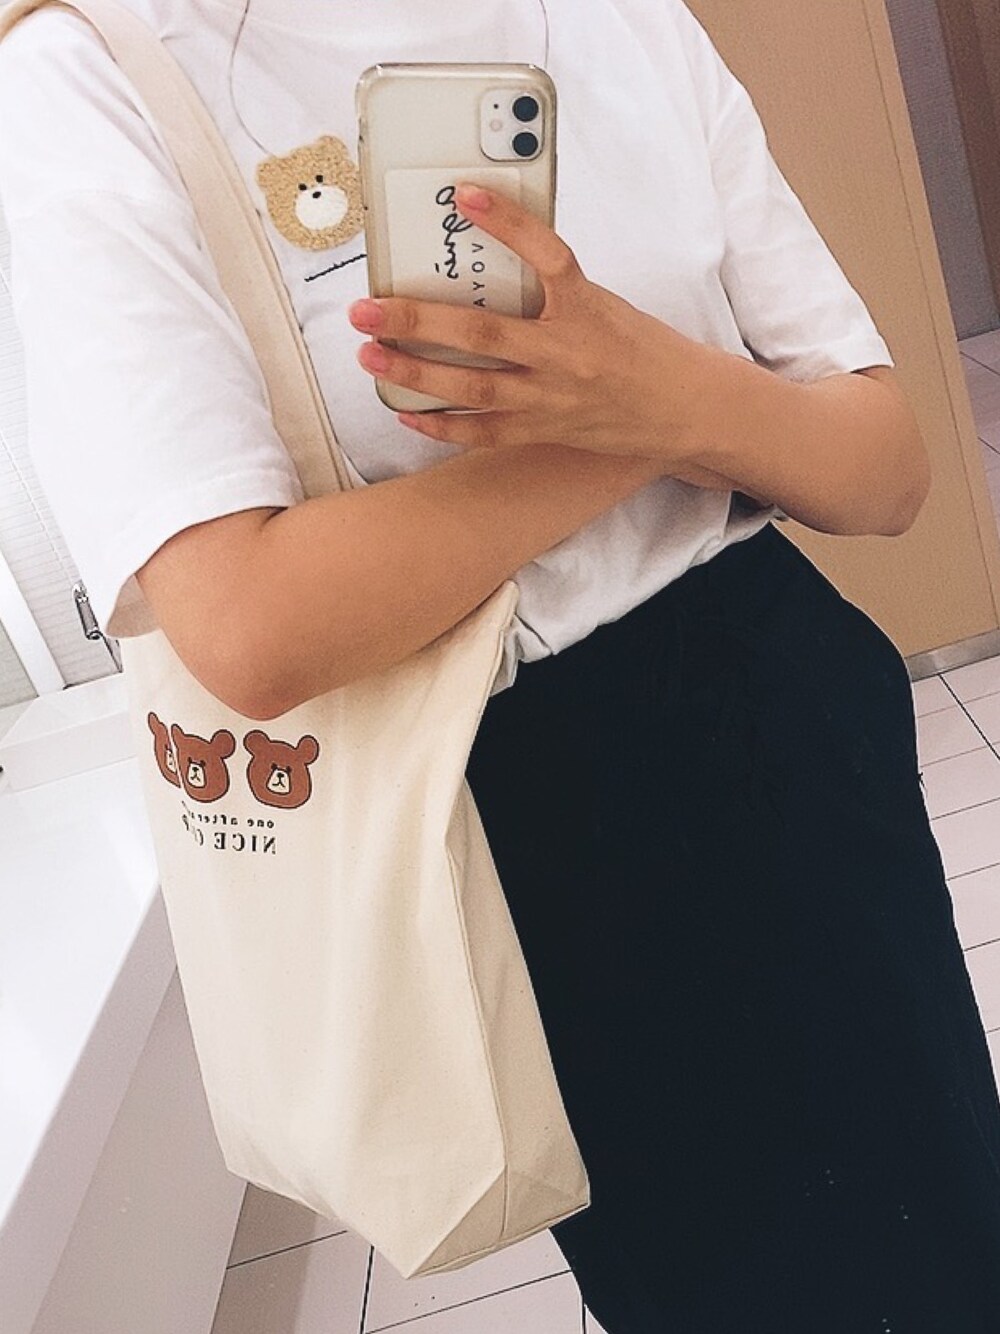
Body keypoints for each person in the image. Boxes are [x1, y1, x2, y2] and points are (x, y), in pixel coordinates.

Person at [1, 0, 998, 1328]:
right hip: (524, 812)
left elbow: (886, 467)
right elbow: (248, 621)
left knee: (950, 1216)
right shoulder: (89, 73)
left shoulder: (621, 15)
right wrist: (661, 415)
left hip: (792, 714)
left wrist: (662, 395)